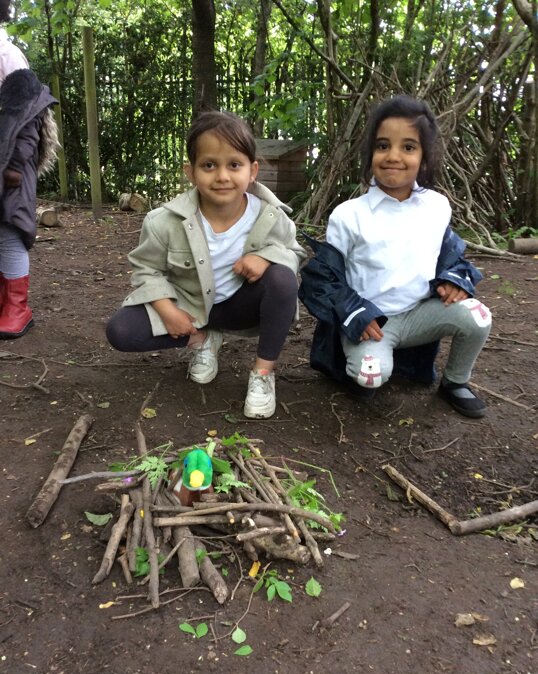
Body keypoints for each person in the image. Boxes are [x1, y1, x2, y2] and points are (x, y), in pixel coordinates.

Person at [299, 95, 491, 418]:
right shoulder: (349, 215)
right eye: (383, 145)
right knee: (369, 376)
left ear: (425, 156)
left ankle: (455, 381)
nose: (394, 156)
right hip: (373, 323)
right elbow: (325, 278)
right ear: (370, 153)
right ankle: (361, 360)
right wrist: (355, 315)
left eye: (408, 147)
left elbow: (448, 255)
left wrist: (453, 280)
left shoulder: (437, 207)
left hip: (420, 315)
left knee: (478, 316)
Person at [106, 110, 306, 418]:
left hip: (240, 306)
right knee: (121, 331)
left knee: (282, 279)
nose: (222, 176)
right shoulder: (163, 221)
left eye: (234, 165)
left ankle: (263, 373)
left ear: (252, 170)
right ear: (191, 171)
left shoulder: (270, 215)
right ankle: (202, 339)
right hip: (190, 307)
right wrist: (168, 311)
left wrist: (266, 257)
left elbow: (294, 252)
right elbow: (146, 269)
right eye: (209, 165)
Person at [0, 1, 59, 339]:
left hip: (11, 165)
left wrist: (15, 164)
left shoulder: (7, 56)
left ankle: (17, 308)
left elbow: (29, 116)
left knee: (10, 230)